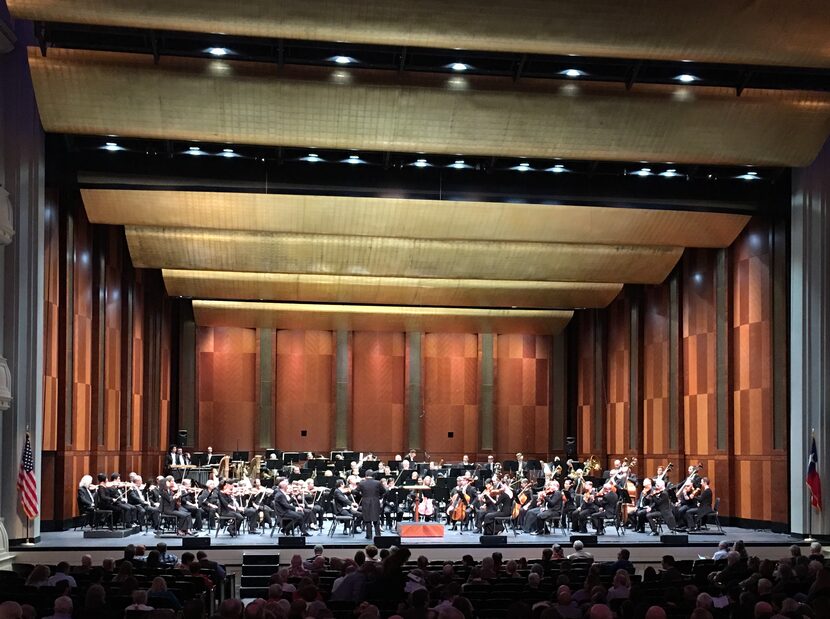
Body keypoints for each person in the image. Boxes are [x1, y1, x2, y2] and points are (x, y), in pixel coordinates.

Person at [356, 469, 386, 539]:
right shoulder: (378, 483)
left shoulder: (362, 483)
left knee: (367, 519)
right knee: (376, 519)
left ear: (366, 475)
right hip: (375, 501)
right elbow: (384, 491)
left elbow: (355, 491)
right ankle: (378, 535)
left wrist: (361, 494)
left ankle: (369, 536)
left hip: (365, 502)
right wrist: (379, 496)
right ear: (373, 475)